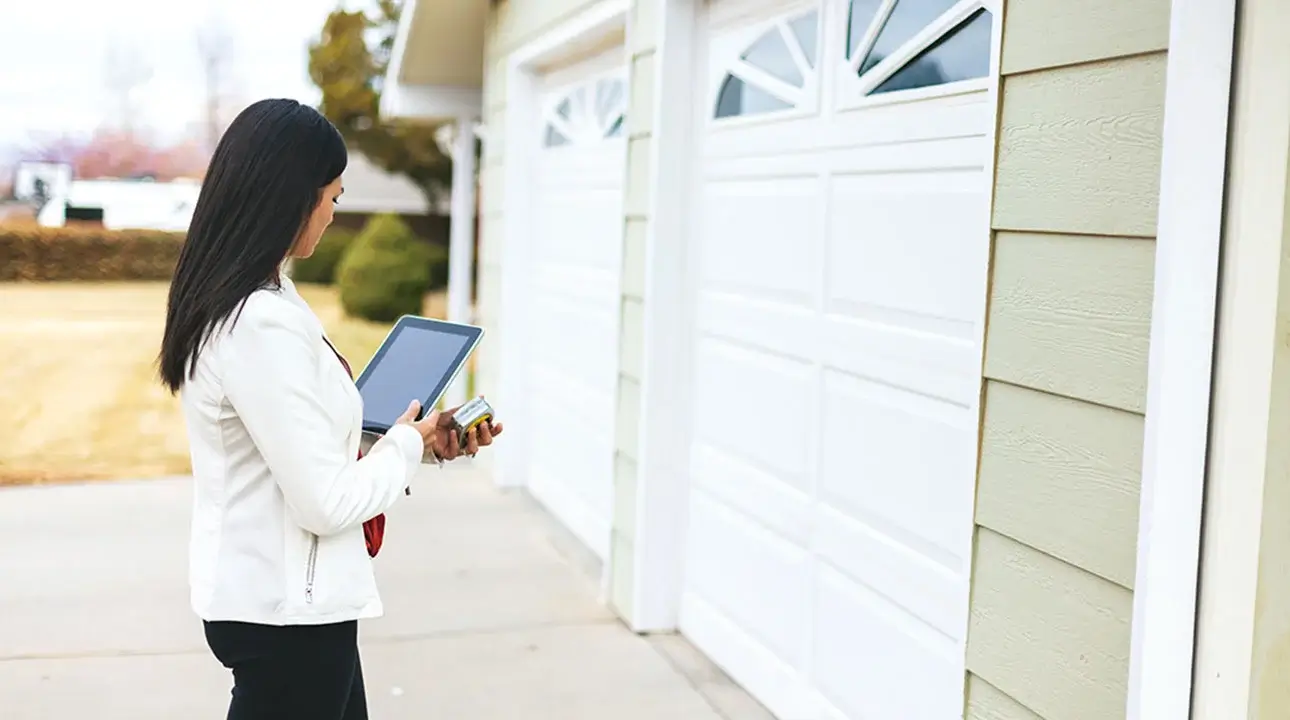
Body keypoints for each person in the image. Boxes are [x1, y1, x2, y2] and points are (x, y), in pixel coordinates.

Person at [156, 98, 501, 720]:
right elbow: (326, 501)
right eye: (334, 197)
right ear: (294, 197)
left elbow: (299, 453)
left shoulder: (262, 295)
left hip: (291, 607)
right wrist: (402, 445)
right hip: (286, 618)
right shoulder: (257, 322)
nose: (334, 215)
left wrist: (416, 442)